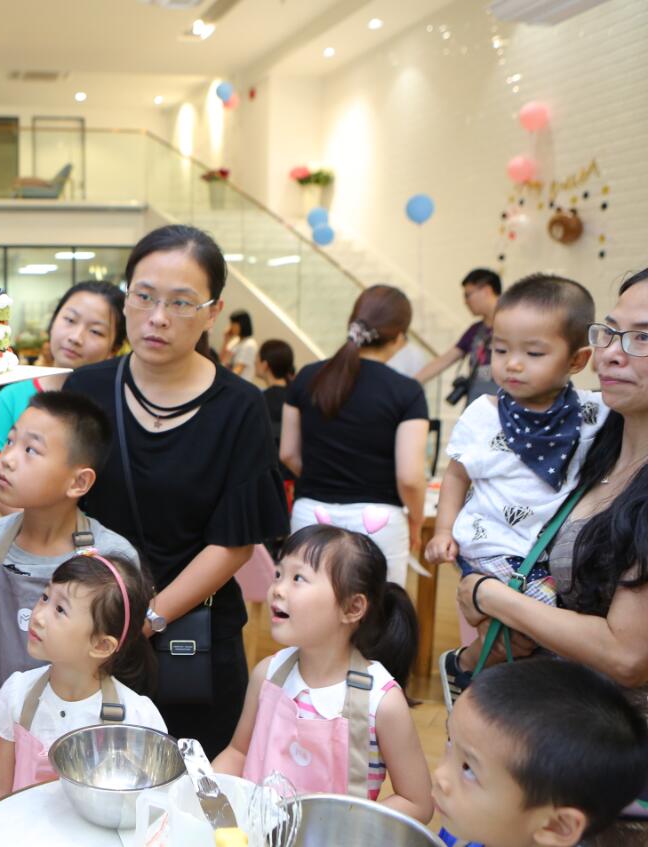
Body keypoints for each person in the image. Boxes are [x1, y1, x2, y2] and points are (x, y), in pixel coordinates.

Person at [65, 224, 289, 757]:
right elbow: (63, 504)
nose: (158, 317)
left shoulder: (240, 407)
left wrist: (147, 618)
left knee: (194, 775)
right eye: (144, 296)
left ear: (213, 313)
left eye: (182, 303)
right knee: (91, 771)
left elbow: (233, 542)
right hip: (94, 627)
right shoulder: (87, 389)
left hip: (196, 639)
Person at [457, 269, 648, 845]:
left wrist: (490, 596)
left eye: (643, 337)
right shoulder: (595, 448)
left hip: (616, 769)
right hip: (553, 741)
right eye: (610, 332)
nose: (614, 353)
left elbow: (627, 655)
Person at [425, 276, 605, 687]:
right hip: (492, 545)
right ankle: (471, 672)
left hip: (542, 553)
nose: (512, 364)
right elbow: (456, 474)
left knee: (527, 642)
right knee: (549, 628)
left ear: (577, 361)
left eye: (534, 353)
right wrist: (443, 530)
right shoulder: (483, 414)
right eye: (501, 350)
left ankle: (471, 672)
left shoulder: (594, 413)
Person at [212, 525, 433, 821]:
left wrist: (345, 826)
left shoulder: (381, 702)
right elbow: (238, 753)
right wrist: (204, 791)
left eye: (298, 578)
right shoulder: (268, 675)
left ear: (352, 608)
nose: (278, 588)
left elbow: (417, 803)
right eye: (278, 574)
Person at [0, 391, 140, 716]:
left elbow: (115, 660)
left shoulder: (112, 556)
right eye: (10, 441)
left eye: (30, 450)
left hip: (77, 732)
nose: (7, 458)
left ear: (79, 482)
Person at [0, 552, 165, 805]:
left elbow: (148, 808)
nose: (38, 616)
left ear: (101, 645)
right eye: (45, 597)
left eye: (60, 609)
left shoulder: (137, 719)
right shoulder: (17, 693)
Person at [283, 285, 429, 586]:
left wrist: (324, 477)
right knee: (378, 610)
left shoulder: (307, 377)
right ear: (399, 337)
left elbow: (287, 453)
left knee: (307, 610)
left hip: (311, 514)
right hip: (378, 521)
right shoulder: (407, 391)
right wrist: (416, 520)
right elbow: (410, 478)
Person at [433, 659, 648, 847]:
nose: (440, 775)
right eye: (450, 742)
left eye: (469, 770)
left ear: (556, 826)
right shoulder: (465, 830)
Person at [0, 281, 125, 515]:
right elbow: (1, 494)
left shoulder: (118, 404)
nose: (76, 337)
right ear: (53, 322)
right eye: (69, 320)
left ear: (114, 348)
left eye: (96, 331)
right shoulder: (11, 397)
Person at [415, 269, 502, 405]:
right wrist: (410, 383)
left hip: (504, 404)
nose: (465, 302)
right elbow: (444, 360)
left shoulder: (515, 326)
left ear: (486, 290)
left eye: (468, 295)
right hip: (477, 403)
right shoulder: (476, 330)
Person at [257, 339, 297, 505]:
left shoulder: (259, 400)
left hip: (268, 481)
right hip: (294, 482)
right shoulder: (297, 396)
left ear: (265, 365)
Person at [220, 309, 258, 384]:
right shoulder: (235, 340)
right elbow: (221, 360)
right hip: (228, 380)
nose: (231, 327)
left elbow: (237, 371)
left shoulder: (249, 345)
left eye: (233, 324)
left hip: (237, 384)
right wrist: (226, 340)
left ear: (242, 325)